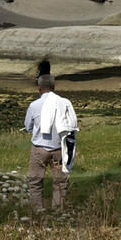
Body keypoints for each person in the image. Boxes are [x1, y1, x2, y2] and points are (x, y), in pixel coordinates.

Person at [24, 63, 78, 213]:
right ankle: (58, 213)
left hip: (40, 149)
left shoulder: (34, 105)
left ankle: (38, 211)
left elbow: (28, 127)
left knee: (35, 182)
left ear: (39, 89)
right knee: (60, 183)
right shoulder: (65, 103)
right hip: (60, 149)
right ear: (54, 87)